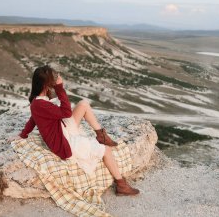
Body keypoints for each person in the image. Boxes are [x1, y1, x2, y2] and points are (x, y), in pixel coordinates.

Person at [8, 65, 139, 196]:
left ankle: (101, 135)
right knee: (106, 150)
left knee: (83, 104)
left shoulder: (38, 102)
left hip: (62, 129)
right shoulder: (40, 104)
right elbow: (65, 112)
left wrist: (23, 134)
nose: (55, 81)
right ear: (46, 84)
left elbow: (33, 118)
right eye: (52, 80)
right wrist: (59, 88)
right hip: (64, 143)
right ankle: (121, 185)